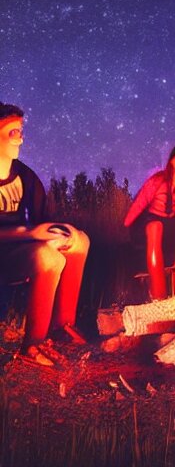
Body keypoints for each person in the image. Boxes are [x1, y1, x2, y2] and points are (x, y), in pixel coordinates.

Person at [0, 102, 90, 366]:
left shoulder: (25, 177)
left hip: (20, 249)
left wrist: (54, 233)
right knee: (48, 258)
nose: (21, 138)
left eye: (21, 131)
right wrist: (31, 233)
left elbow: (39, 220)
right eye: (13, 132)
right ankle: (32, 345)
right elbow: (30, 230)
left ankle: (63, 325)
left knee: (78, 240)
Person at [124, 143, 175, 299]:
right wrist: (126, 225)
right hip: (150, 228)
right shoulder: (158, 180)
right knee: (155, 227)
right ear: (172, 161)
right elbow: (140, 202)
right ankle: (159, 297)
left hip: (173, 230)